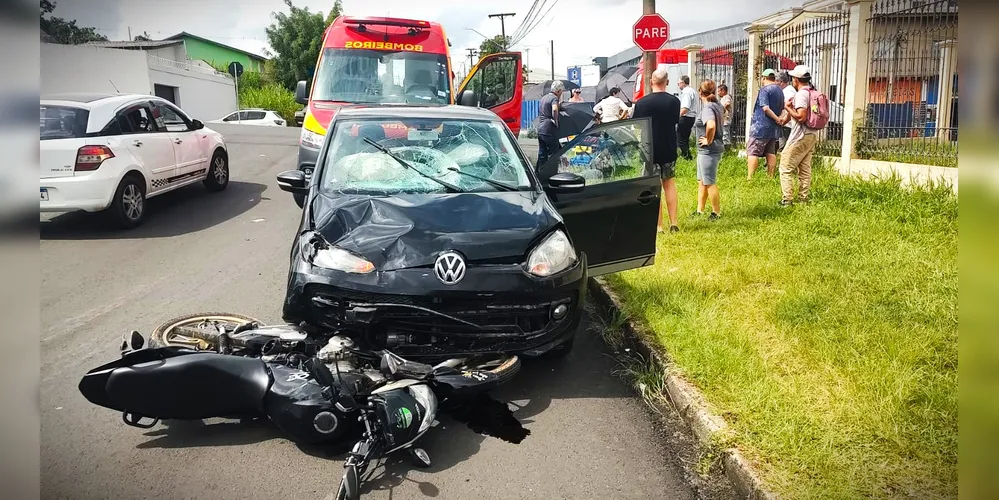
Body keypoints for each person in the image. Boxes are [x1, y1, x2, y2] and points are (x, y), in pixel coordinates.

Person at [632, 68, 681, 233]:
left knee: (654, 187)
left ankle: (659, 226)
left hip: (649, 149)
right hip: (668, 147)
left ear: (651, 82)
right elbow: (675, 121)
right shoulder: (674, 102)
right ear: (667, 82)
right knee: (669, 184)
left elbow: (637, 125)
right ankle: (674, 223)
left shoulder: (642, 103)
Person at [780, 65, 820, 206]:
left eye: (793, 78)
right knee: (804, 168)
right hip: (812, 134)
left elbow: (801, 117)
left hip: (800, 135)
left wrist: (786, 107)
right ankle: (803, 199)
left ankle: (787, 199)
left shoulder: (802, 94)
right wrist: (786, 115)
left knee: (785, 166)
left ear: (796, 79)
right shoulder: (812, 91)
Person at [693, 80, 725, 221]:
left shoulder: (707, 108)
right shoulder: (717, 105)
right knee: (702, 181)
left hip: (709, 150)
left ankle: (716, 212)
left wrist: (708, 139)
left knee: (709, 182)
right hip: (708, 150)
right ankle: (699, 210)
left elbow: (711, 125)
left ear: (700, 92)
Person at [746, 69, 787, 180]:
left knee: (752, 152)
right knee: (770, 152)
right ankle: (770, 177)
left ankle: (750, 178)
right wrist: (780, 119)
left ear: (764, 78)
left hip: (761, 127)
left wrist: (776, 118)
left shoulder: (765, 90)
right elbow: (783, 108)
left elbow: (765, 108)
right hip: (774, 128)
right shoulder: (779, 90)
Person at [536, 81, 565, 168]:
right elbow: (555, 109)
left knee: (542, 153)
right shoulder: (554, 98)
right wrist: (556, 121)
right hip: (549, 129)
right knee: (554, 154)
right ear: (558, 91)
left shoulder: (544, 98)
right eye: (561, 92)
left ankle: (538, 172)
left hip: (540, 128)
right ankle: (552, 173)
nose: (561, 94)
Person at [677, 75, 700, 160]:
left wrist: (676, 117)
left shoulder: (686, 92)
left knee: (680, 139)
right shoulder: (692, 91)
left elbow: (685, 108)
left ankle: (686, 156)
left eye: (679, 83)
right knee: (685, 138)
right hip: (691, 117)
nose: (678, 85)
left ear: (683, 82)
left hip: (685, 117)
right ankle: (687, 155)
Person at [777, 71, 795, 151]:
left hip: (787, 124)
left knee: (784, 147)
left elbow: (789, 106)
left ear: (781, 82)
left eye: (775, 81)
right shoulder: (787, 90)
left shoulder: (788, 91)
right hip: (786, 123)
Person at [717, 84, 733, 149]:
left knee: (725, 135)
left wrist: (722, 110)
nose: (718, 93)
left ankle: (727, 151)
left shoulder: (726, 97)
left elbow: (727, 104)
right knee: (724, 135)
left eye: (719, 91)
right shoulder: (724, 97)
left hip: (726, 119)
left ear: (723, 91)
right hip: (724, 120)